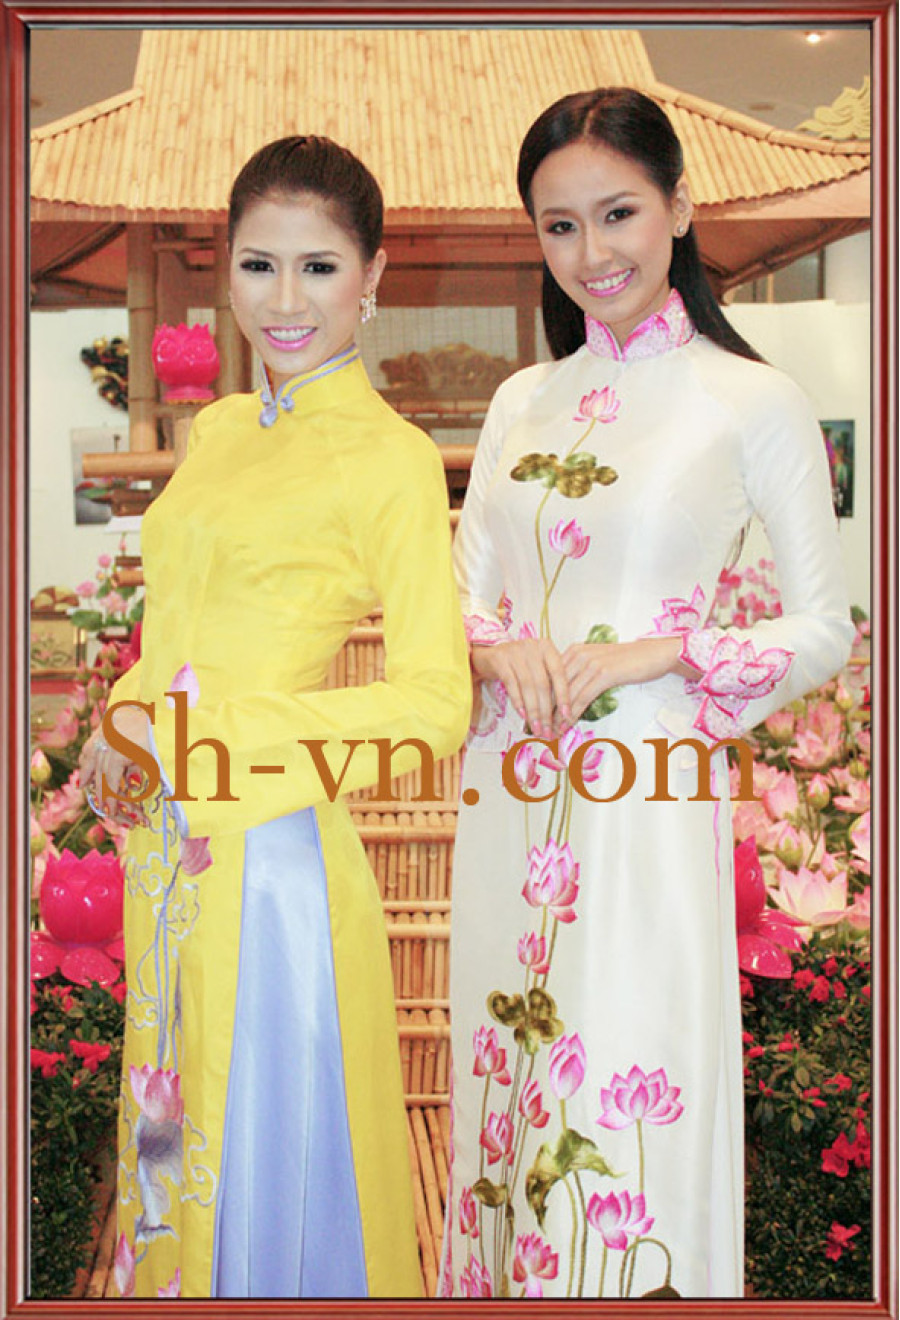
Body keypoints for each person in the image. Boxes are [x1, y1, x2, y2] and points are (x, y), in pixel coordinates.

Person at [440, 88, 853, 1301]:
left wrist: (659, 653)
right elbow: (462, 599)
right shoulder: (521, 400)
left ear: (679, 206)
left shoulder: (753, 400)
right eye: (559, 226)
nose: (592, 252)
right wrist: (490, 651)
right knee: (507, 1082)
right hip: (511, 794)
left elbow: (823, 629)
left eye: (618, 213)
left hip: (648, 799)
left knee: (626, 1072)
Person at [79, 135, 471, 1299]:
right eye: (260, 265)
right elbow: (175, 631)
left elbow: (435, 703)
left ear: (373, 276)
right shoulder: (214, 434)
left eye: (319, 267)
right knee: (167, 1119)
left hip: (270, 861)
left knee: (256, 1152)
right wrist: (124, 722)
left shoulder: (393, 459)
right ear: (229, 271)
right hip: (167, 846)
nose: (286, 301)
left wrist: (215, 745)